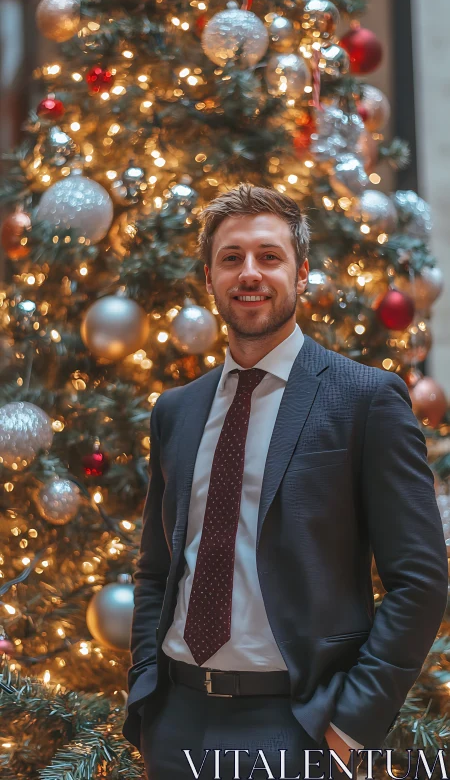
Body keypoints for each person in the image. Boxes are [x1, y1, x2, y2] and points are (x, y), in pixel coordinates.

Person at [122, 183, 448, 779]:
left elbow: (420, 580)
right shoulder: (177, 410)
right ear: (209, 278)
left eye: (269, 256)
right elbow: (155, 568)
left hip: (299, 727)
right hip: (176, 720)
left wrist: (351, 725)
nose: (249, 273)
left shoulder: (365, 399)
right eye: (231, 258)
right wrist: (147, 693)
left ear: (300, 274)